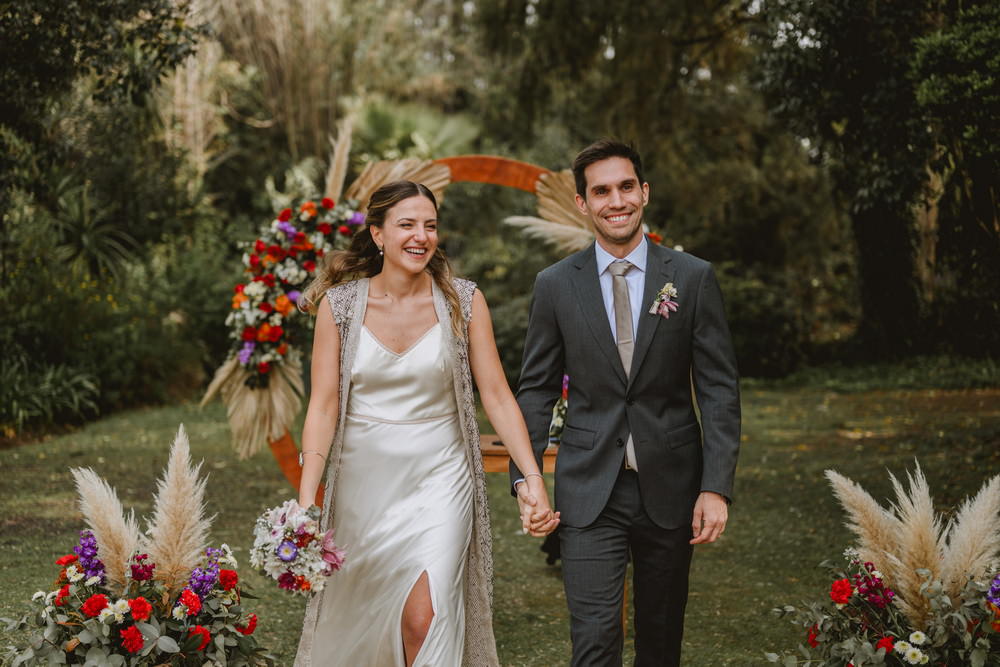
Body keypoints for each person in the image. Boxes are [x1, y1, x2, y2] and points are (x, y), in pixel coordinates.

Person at [294, 180, 559, 667]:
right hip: (362, 484)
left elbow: (497, 396)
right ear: (377, 234)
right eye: (407, 225)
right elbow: (323, 407)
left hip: (442, 476)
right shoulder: (340, 307)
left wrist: (533, 478)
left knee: (425, 618)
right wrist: (307, 500)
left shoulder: (462, 300)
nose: (421, 236)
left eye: (430, 225)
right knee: (366, 620)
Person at [512, 139, 741, 666]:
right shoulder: (554, 286)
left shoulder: (691, 278)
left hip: (673, 487)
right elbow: (538, 388)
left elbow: (718, 389)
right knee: (594, 644)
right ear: (582, 203)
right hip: (589, 491)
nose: (615, 201)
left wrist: (715, 486)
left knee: (660, 645)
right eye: (601, 191)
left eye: (624, 187)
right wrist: (527, 479)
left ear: (644, 192)